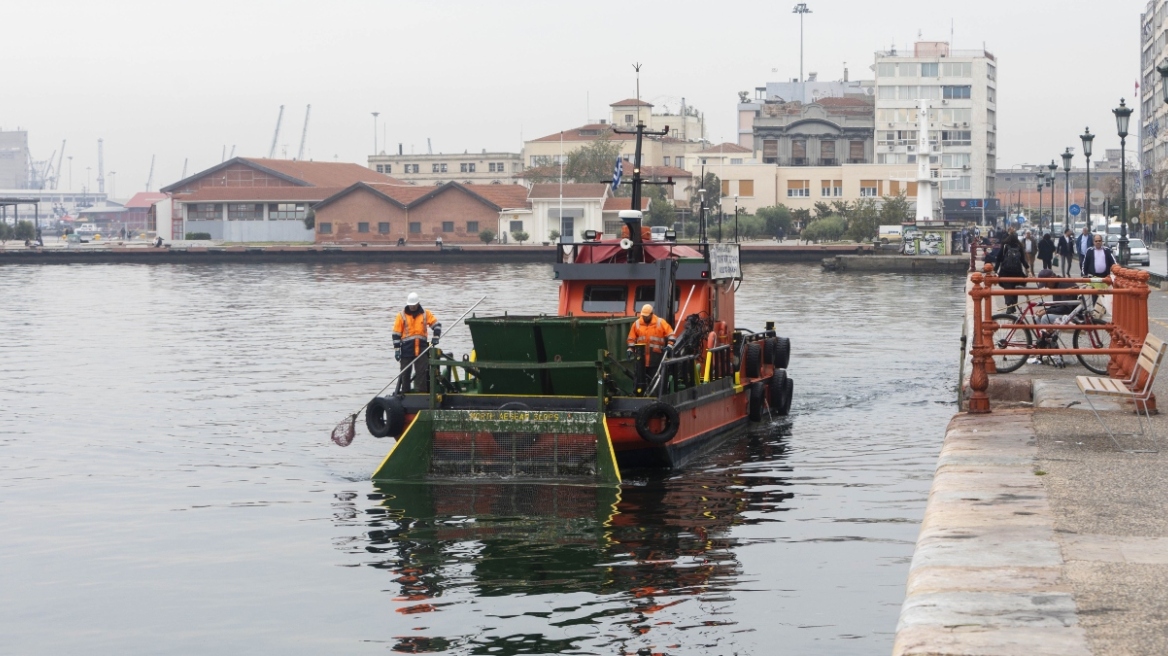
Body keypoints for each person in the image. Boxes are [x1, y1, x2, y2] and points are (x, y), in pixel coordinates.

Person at [392, 292, 441, 393]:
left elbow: (437, 325)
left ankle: (421, 394)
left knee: (421, 373)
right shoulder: (401, 316)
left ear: (418, 304)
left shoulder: (425, 314)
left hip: (422, 349)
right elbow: (396, 334)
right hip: (406, 350)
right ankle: (405, 394)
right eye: (411, 305)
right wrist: (397, 350)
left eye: (414, 305)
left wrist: (436, 336)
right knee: (405, 373)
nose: (412, 307)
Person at [627, 303, 675, 389]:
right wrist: (630, 349)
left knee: (656, 381)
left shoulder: (660, 322)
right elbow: (631, 338)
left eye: (646, 316)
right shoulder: (637, 324)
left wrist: (670, 344)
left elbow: (671, 334)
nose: (645, 317)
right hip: (641, 359)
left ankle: (656, 396)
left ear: (652, 314)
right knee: (640, 381)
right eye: (643, 315)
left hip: (656, 358)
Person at [994, 232, 1030, 313]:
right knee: (1014, 288)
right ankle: (1013, 305)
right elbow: (1023, 260)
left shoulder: (1004, 246)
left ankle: (1009, 306)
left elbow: (999, 258)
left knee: (1007, 288)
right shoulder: (1019, 246)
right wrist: (1028, 270)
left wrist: (995, 270)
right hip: (1017, 271)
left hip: (1005, 271)